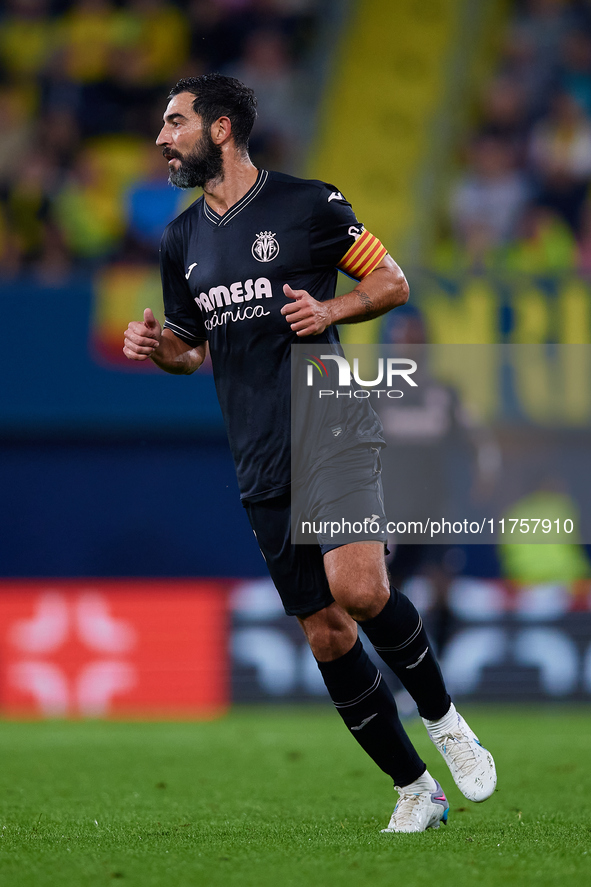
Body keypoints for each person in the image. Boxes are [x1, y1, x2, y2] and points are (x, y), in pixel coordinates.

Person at [123, 73, 497, 834]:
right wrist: (159, 346)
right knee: (325, 629)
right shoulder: (180, 239)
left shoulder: (310, 204)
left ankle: (447, 721)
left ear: (220, 129)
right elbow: (191, 352)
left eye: (174, 122)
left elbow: (390, 282)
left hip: (329, 413)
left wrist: (329, 307)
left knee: (358, 588)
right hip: (256, 448)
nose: (162, 138)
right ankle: (415, 789)